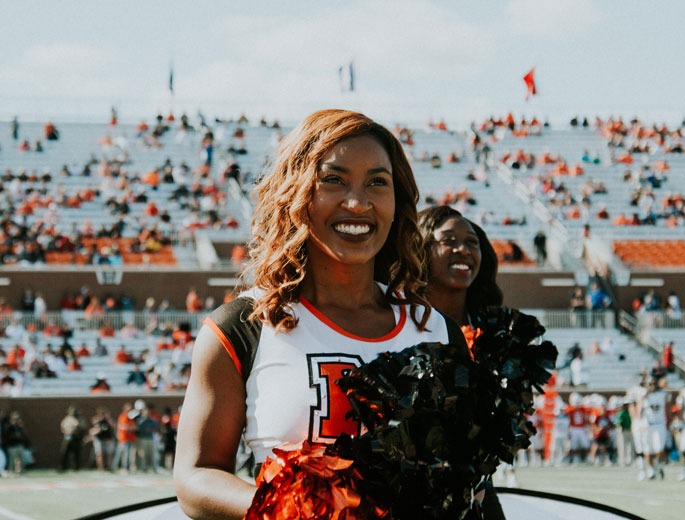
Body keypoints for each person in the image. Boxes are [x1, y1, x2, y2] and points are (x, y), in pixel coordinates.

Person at [173, 109, 465, 519]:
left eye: (377, 183)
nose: (358, 202)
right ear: (297, 193)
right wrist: (298, 510)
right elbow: (196, 476)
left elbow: (468, 481)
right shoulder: (244, 326)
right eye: (334, 179)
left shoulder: (436, 332)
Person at [418, 205, 514, 501]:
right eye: (448, 240)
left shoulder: (498, 338)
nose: (463, 250)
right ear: (420, 247)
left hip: (475, 490)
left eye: (472, 242)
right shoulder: (395, 327)